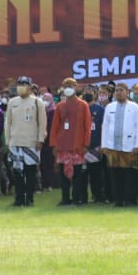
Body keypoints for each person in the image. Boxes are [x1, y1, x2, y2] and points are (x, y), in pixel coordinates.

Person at [4, 77, 47, 207]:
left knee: (30, 172)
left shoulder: (37, 102)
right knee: (17, 173)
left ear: (30, 86)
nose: (21, 86)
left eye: (24, 84)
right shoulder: (12, 102)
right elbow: (8, 123)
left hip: (31, 143)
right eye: (19, 84)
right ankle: (19, 199)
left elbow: (42, 123)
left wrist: (40, 140)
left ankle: (30, 198)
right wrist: (8, 140)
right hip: (15, 142)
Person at [49, 78, 93, 206]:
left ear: (76, 87)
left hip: (77, 146)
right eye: (66, 86)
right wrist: (54, 145)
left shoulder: (83, 105)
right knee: (63, 175)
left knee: (78, 175)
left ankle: (76, 199)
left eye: (71, 85)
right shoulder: (60, 106)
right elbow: (55, 127)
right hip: (62, 145)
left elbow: (87, 126)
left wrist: (86, 144)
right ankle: (65, 199)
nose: (68, 88)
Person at [101, 83, 138, 208]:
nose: (119, 92)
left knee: (129, 174)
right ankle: (118, 200)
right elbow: (105, 126)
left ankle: (130, 200)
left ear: (127, 92)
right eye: (117, 90)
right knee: (115, 174)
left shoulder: (134, 107)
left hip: (129, 146)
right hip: (112, 146)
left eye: (121, 90)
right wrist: (104, 145)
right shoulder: (109, 107)